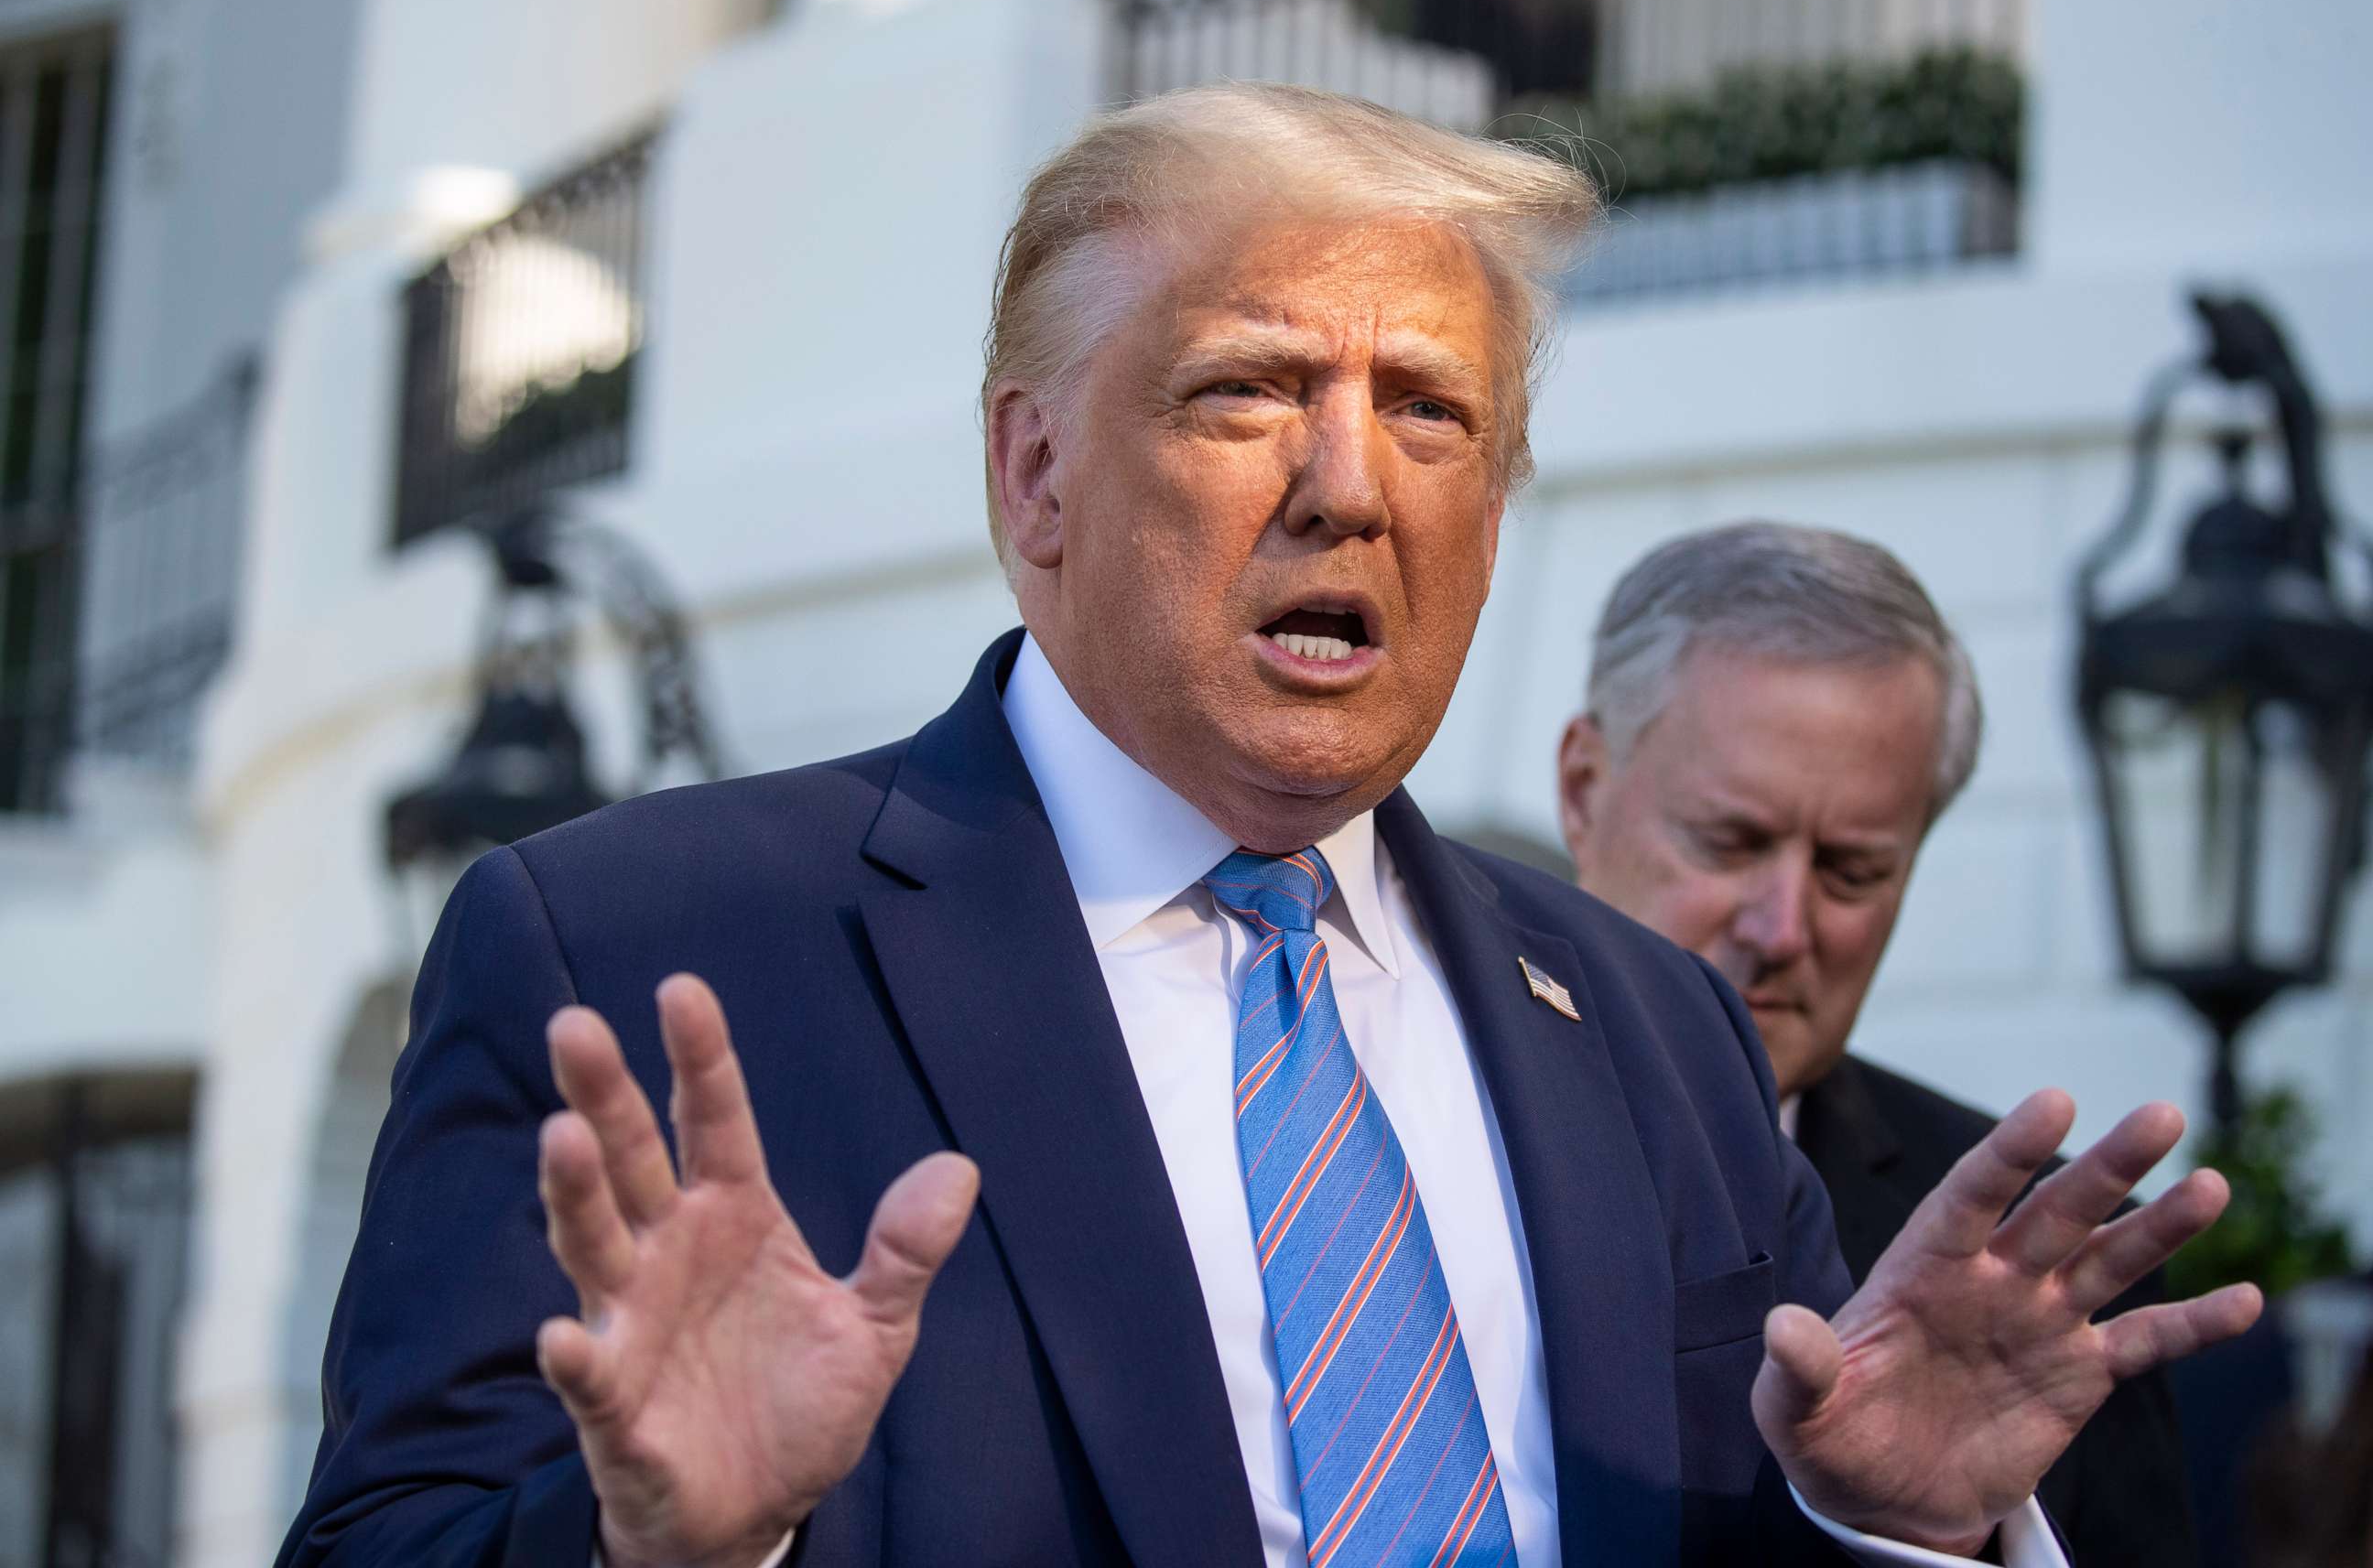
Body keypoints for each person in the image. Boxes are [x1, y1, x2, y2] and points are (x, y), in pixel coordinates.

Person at [281, 86, 2259, 1568]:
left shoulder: (1648, 1033)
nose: (1351, 487)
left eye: (1432, 413)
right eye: (1249, 391)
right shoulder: (644, 947)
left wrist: (1889, 1534)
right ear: (1035, 468)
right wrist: (662, 1548)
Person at [1555, 522, 2199, 1564]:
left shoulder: (2048, 1277)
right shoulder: (1359, 1132)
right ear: (1584, 786)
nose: (1783, 926)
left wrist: (1947, 1541)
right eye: (1731, 843)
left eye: (1851, 871)